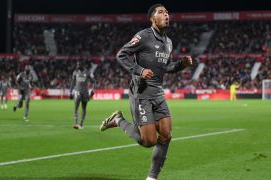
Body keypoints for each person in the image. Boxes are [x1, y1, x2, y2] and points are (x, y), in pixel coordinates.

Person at [100, 4, 192, 180]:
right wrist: (139, 70)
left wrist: (181, 65)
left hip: (157, 93)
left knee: (166, 135)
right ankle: (118, 120)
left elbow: (167, 68)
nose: (166, 15)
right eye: (161, 12)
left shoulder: (169, 42)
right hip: (141, 93)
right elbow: (121, 54)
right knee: (148, 141)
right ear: (152, 18)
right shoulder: (143, 36)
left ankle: (152, 177)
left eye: (167, 12)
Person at [70, 61, 95, 129]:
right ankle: (76, 123)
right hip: (77, 91)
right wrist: (70, 91)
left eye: (79, 64)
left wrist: (93, 90)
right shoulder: (75, 72)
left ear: (82, 65)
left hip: (85, 92)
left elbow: (94, 81)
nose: (77, 66)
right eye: (77, 64)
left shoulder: (88, 72)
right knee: (76, 107)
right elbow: (72, 82)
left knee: (84, 108)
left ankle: (81, 124)